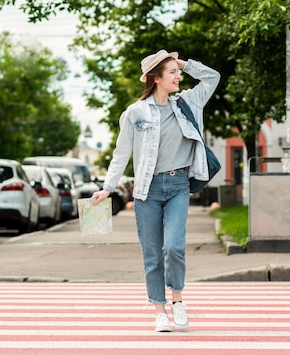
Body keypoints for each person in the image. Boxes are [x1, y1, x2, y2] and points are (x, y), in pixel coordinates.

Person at [92, 50, 220, 332]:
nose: (178, 76)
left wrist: (182, 62)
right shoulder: (135, 112)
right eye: (172, 72)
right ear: (157, 78)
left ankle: (177, 300)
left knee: (173, 246)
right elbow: (121, 152)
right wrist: (108, 188)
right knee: (152, 253)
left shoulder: (187, 102)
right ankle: (159, 310)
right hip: (146, 190)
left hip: (177, 186)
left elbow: (212, 77)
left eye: (178, 71)